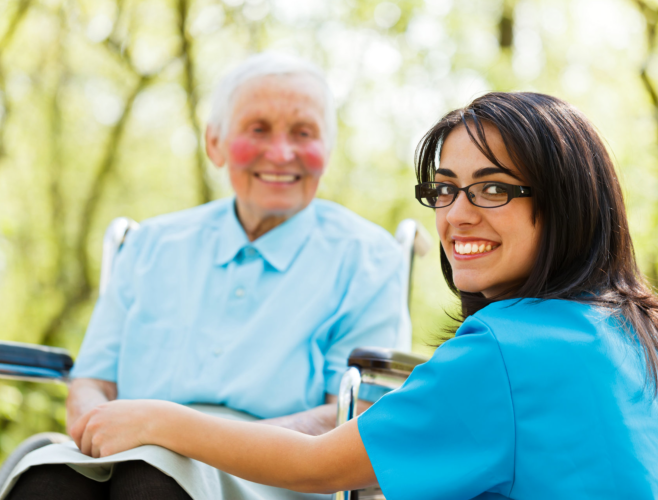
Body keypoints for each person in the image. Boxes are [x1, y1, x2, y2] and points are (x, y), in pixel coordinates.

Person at [54, 92, 658, 499]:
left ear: (567, 203)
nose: (457, 216)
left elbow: (315, 467)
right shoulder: (630, 326)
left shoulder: (506, 350)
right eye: (445, 190)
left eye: (493, 189)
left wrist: (158, 417)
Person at [0, 53, 408, 500]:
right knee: (47, 480)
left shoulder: (368, 259)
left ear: (327, 151)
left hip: (270, 471)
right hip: (126, 449)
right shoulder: (151, 244)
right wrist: (101, 431)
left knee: (151, 479)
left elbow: (349, 415)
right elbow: (92, 383)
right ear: (214, 143)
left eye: (303, 133)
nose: (281, 152)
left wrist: (181, 437)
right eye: (258, 129)